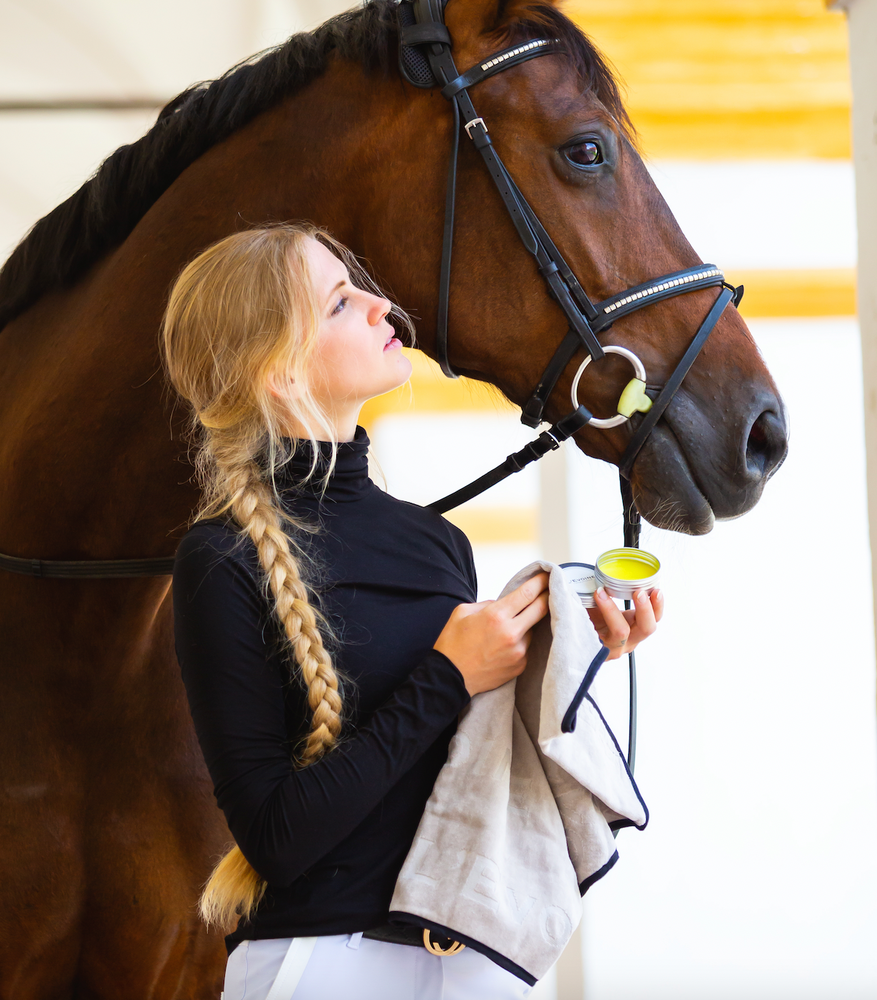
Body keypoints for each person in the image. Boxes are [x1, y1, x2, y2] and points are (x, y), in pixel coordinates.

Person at [162, 223, 663, 1000]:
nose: (381, 306)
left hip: (470, 960)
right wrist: (447, 675)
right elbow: (277, 838)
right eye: (339, 302)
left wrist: (562, 651)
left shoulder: (438, 544)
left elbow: (456, 762)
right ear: (279, 372)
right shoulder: (220, 559)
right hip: (319, 966)